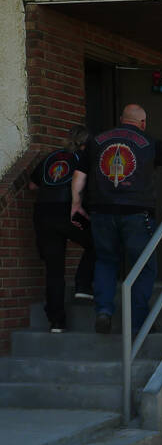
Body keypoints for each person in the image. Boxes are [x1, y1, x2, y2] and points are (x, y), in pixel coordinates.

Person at [72, 104, 162, 334]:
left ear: (122, 119)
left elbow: (79, 175)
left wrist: (75, 204)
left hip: (101, 212)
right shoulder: (150, 142)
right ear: (143, 123)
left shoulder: (97, 141)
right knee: (143, 267)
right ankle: (139, 322)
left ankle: (104, 312)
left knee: (105, 262)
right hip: (137, 214)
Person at [28, 125, 94, 332]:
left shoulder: (51, 157)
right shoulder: (83, 159)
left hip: (43, 214)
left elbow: (32, 186)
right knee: (98, 240)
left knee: (54, 270)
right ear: (85, 144)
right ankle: (83, 285)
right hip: (69, 213)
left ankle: (56, 321)